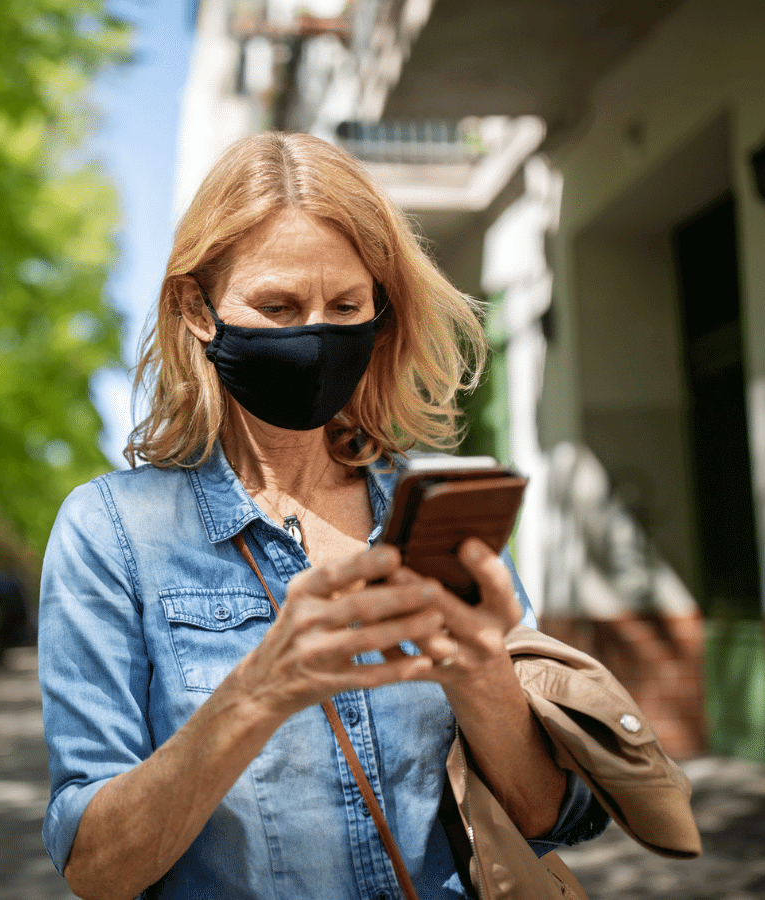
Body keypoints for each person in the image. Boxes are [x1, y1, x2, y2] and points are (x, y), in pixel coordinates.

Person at [39, 132, 607, 900]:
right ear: (196, 308)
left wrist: (480, 674)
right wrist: (258, 692)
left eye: (345, 306)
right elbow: (96, 867)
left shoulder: (435, 511)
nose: (314, 333)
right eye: (277, 306)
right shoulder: (111, 533)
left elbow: (547, 814)